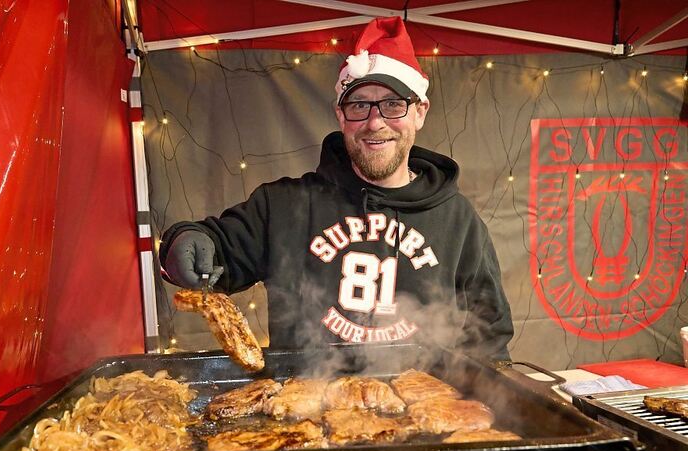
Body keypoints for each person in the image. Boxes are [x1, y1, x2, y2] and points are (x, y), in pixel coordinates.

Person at [159, 17, 513, 361]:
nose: (375, 123)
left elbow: (489, 338)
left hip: (421, 399)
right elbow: (216, 251)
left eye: (393, 104)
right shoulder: (283, 206)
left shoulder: (458, 220)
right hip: (303, 399)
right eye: (359, 105)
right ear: (341, 116)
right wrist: (184, 240)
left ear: (419, 112)